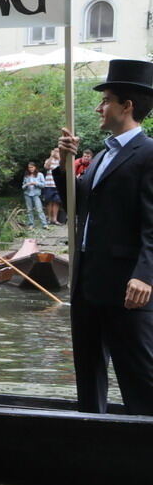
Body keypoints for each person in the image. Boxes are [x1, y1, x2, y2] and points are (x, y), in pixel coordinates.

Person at [54, 59, 153, 415]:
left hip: (128, 287)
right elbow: (78, 207)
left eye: (106, 99)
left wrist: (145, 274)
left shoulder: (148, 154)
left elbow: (152, 225)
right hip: (88, 282)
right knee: (88, 374)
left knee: (138, 376)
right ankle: (91, 444)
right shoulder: (101, 156)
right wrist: (63, 166)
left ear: (127, 106)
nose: (99, 107)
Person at [21, 162, 48, 229]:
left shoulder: (40, 175)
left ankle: (44, 224)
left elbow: (44, 185)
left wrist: (35, 183)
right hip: (27, 194)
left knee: (39, 209)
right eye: (29, 167)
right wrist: (26, 185)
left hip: (36, 194)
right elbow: (23, 186)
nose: (30, 169)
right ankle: (31, 224)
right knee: (29, 210)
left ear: (35, 167)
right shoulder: (26, 176)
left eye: (32, 167)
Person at [43, 148, 62, 226]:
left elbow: (63, 168)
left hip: (57, 184)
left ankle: (55, 219)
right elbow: (46, 167)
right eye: (55, 151)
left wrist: (59, 158)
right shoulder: (48, 160)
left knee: (56, 202)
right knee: (49, 201)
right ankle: (49, 219)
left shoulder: (61, 161)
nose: (56, 153)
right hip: (49, 184)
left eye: (58, 152)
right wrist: (51, 156)